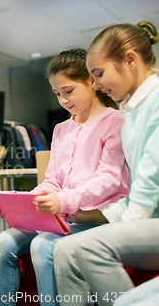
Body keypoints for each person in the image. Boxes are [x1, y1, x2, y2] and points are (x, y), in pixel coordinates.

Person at [0, 49, 129, 306]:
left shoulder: (115, 121)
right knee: (5, 239)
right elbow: (53, 179)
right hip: (61, 213)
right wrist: (27, 203)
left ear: (91, 81)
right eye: (57, 94)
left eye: (68, 91)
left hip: (96, 215)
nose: (63, 100)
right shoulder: (60, 129)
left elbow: (108, 179)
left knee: (43, 245)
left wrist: (63, 201)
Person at [53, 21, 159, 306]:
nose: (97, 84)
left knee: (89, 248)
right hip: (147, 221)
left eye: (99, 74)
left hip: (151, 224)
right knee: (63, 250)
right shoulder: (130, 112)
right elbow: (138, 188)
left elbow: (150, 179)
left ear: (130, 59)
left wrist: (123, 227)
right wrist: (97, 217)